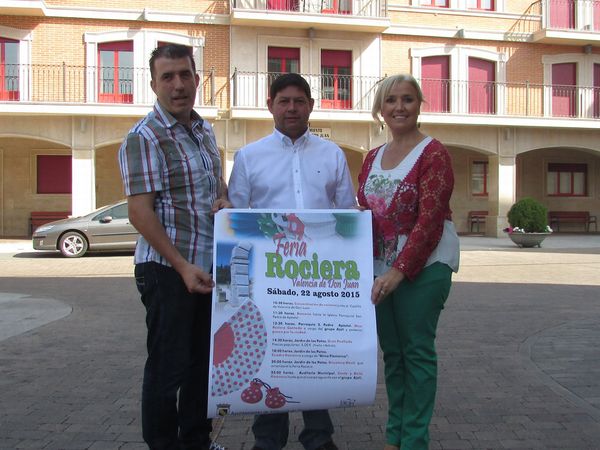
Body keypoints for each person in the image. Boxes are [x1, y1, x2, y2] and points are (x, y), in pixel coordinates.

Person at [228, 73, 355, 450]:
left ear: (311, 106)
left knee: (316, 353)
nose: (292, 108)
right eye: (283, 100)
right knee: (269, 354)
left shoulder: (332, 154)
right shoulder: (250, 157)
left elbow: (346, 213)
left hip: (320, 280)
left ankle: (319, 437)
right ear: (270, 105)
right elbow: (238, 218)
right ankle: (267, 439)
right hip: (270, 281)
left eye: (299, 101)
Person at [118, 44, 229, 450]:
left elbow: (214, 185)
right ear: (153, 84)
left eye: (185, 75)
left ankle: (197, 440)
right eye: (168, 77)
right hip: (167, 270)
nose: (178, 85)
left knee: (202, 363)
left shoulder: (204, 130)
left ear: (197, 79)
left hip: (205, 268)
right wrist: (182, 266)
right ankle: (164, 444)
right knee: (169, 367)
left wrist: (225, 199)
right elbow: (140, 214)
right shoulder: (144, 137)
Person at [357, 74, 460, 450]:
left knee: (416, 352)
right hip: (380, 269)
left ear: (419, 106)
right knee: (394, 355)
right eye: (391, 100)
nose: (399, 107)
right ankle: (394, 437)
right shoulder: (372, 158)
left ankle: (414, 439)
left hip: (424, 266)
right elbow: (365, 214)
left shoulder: (433, 154)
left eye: (407, 100)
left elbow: (430, 221)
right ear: (380, 109)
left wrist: (399, 272)